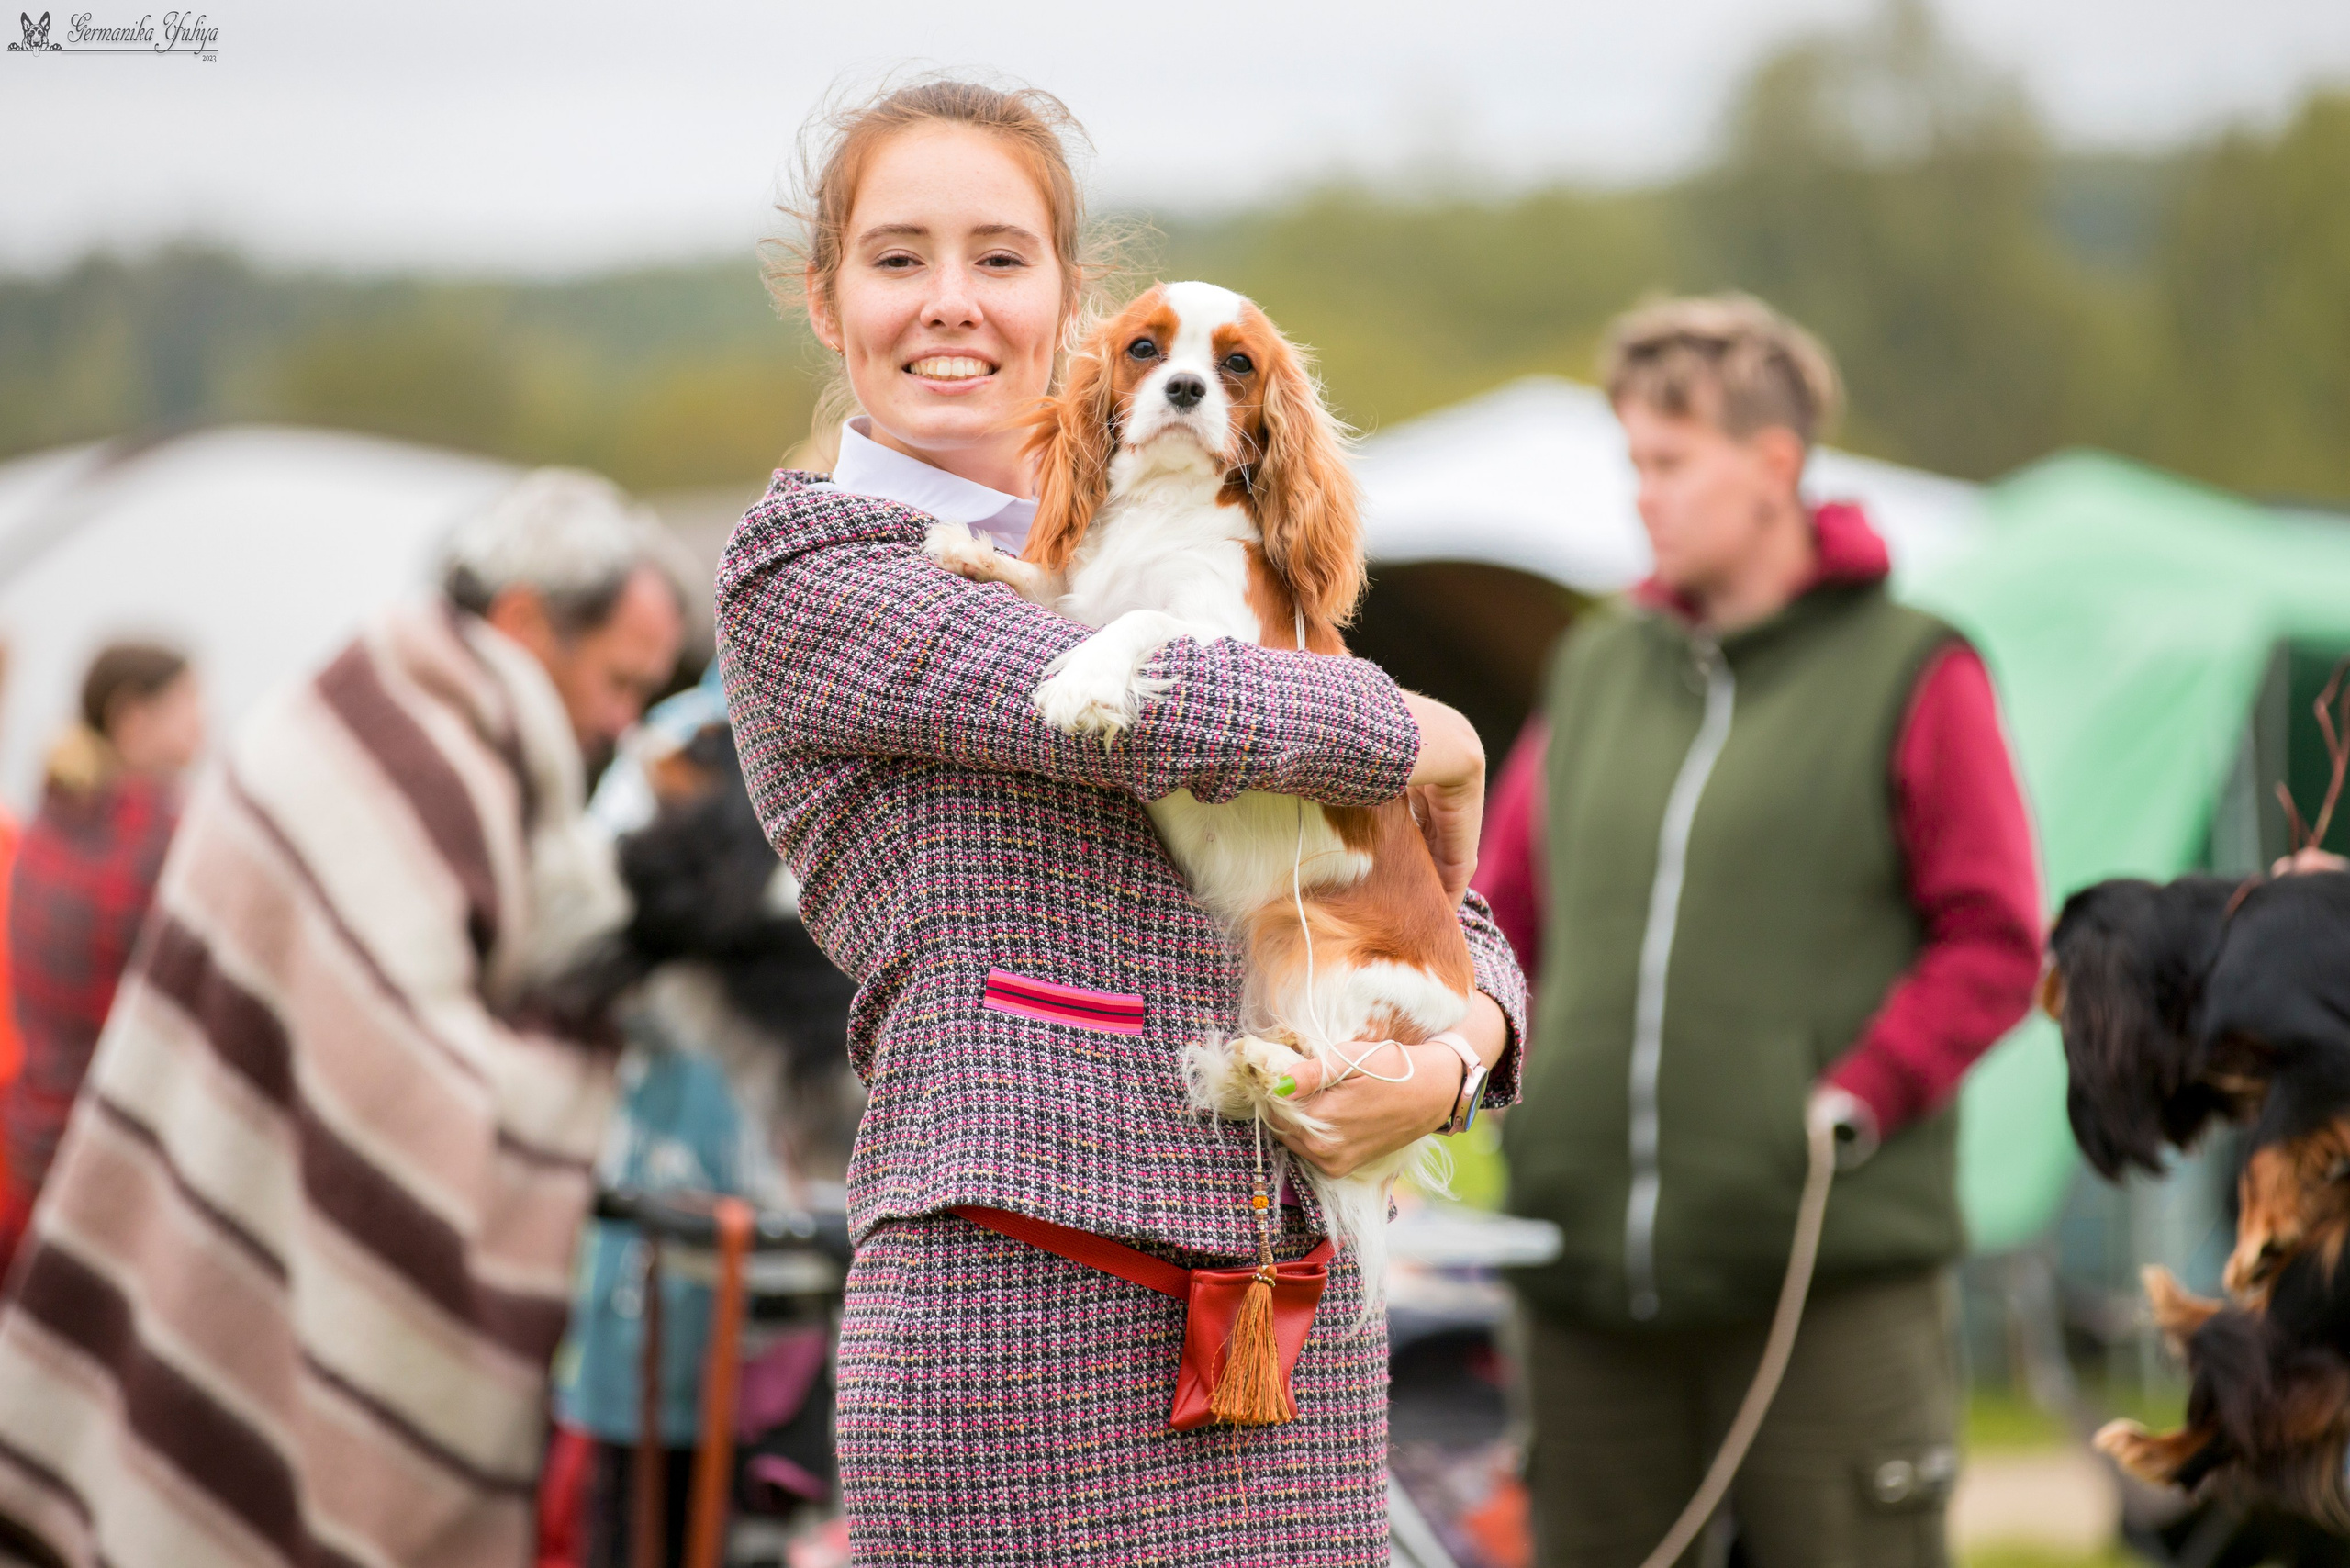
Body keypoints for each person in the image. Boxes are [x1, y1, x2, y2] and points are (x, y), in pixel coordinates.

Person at [717, 79, 1527, 1562]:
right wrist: (1428, 728)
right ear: (828, 303)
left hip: (1293, 1338)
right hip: (1011, 1328)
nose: (950, 302)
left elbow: (1432, 906)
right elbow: (1155, 713)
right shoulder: (811, 570)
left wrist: (1463, 1056)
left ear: (1068, 304)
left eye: (999, 257)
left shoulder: (1182, 527)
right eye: (898, 259)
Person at [0, 468, 686, 1568]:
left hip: (217, 1198)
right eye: (616, 681)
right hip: (252, 1206)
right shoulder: (411, 752)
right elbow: (399, 1084)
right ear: (523, 623)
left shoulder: (382, 706)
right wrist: (587, 1076)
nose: (622, 720)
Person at [1476, 296, 2042, 1567]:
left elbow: (1996, 940)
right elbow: (1496, 921)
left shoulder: (1914, 668)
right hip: (1578, 1292)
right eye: (1633, 466)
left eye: (1670, 464)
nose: (1644, 498)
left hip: (1823, 1284)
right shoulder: (1595, 669)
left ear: (1774, 465)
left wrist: (1861, 1092)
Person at [0, 643, 204, 1271]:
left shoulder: (49, 823)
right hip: (111, 1161)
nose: (205, 720)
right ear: (133, 720)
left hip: (30, 1142)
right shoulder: (165, 839)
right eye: (189, 704)